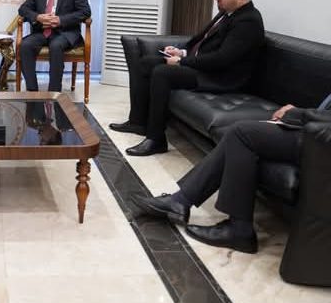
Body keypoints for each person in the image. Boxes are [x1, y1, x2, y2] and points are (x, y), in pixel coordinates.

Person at [133, 96, 331, 253]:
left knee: (242, 133)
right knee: (239, 133)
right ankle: (180, 202)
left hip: (321, 141)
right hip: (316, 130)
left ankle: (239, 230)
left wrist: (296, 114)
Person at [111, 0, 265, 156]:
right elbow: (203, 42)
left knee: (162, 72)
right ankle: (138, 122)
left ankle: (156, 139)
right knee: (145, 62)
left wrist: (182, 61)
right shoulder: (227, 12)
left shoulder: (248, 21)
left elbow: (222, 59)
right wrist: (182, 52)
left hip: (220, 78)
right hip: (206, 68)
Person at [18, 0, 91, 93]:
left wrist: (60, 20)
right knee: (25, 45)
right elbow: (23, 9)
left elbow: (85, 12)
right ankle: (32, 92)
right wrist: (38, 17)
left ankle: (53, 93)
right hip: (42, 31)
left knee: (56, 46)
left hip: (65, 32)